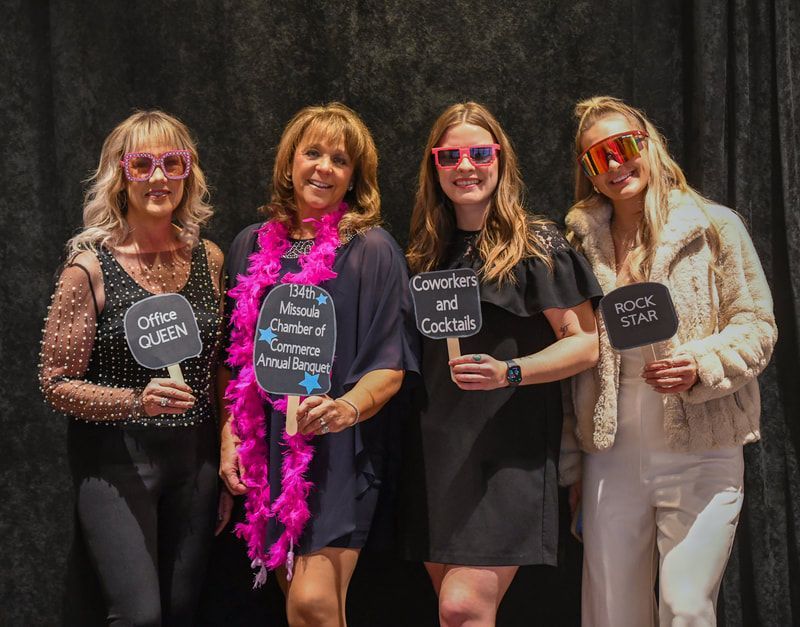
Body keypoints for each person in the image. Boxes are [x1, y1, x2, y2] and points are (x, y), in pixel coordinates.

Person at [563, 95, 778, 626]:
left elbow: (757, 325)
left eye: (623, 146)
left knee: (686, 607)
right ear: (588, 171)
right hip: (611, 452)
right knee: (612, 612)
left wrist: (700, 365)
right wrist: (572, 464)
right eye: (598, 156)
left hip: (703, 444)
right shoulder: (579, 244)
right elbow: (574, 356)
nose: (615, 164)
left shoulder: (713, 225)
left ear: (648, 143)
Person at [401, 102, 602, 627]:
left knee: (462, 606)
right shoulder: (424, 251)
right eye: (451, 156)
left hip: (509, 451)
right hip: (435, 454)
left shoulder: (536, 245)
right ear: (434, 166)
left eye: (479, 153)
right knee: (453, 614)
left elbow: (585, 344)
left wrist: (510, 371)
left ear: (500, 159)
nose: (465, 166)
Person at [219, 102, 419, 627]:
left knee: (311, 603)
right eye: (313, 153)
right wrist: (229, 438)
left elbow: (391, 364)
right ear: (290, 162)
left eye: (340, 159)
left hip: (340, 446)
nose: (324, 167)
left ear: (355, 176)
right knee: (305, 608)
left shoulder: (372, 250)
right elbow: (233, 360)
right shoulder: (249, 245)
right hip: (268, 446)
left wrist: (345, 409)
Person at [39, 110, 226, 625]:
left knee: (183, 609)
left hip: (195, 461)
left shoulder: (209, 258)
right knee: (139, 616)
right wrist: (135, 401)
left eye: (172, 163)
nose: (159, 177)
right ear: (120, 176)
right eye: (142, 164)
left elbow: (220, 366)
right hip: (117, 462)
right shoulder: (90, 267)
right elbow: (55, 383)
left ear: (188, 172)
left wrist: (225, 453)